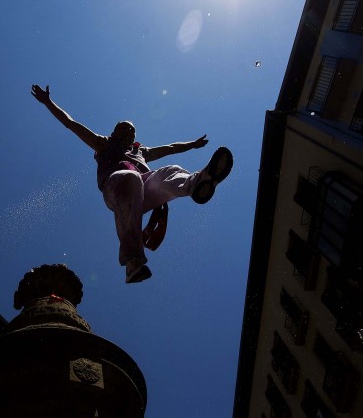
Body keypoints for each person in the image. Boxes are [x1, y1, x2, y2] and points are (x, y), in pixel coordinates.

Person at [31, 84, 233, 283]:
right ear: (115, 132)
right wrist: (48, 102)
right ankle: (133, 261)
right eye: (124, 129)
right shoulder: (103, 143)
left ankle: (200, 181)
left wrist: (192, 144)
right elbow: (71, 123)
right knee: (132, 178)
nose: (128, 133)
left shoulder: (141, 152)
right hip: (117, 187)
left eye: (131, 131)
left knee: (169, 170)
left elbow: (170, 148)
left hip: (144, 190)